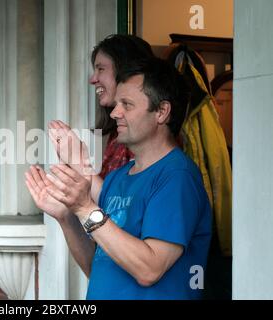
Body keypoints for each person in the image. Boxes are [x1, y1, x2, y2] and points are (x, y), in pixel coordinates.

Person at [25, 58, 212, 299]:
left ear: (162, 112)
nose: (114, 112)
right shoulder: (116, 179)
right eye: (116, 104)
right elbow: (97, 268)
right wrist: (66, 217)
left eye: (127, 104)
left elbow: (149, 269)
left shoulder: (178, 177)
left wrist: (84, 208)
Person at [87, 34, 153, 178]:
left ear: (124, 71)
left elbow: (123, 199)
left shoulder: (144, 134)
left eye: (101, 69)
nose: (93, 79)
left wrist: (79, 164)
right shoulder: (118, 131)